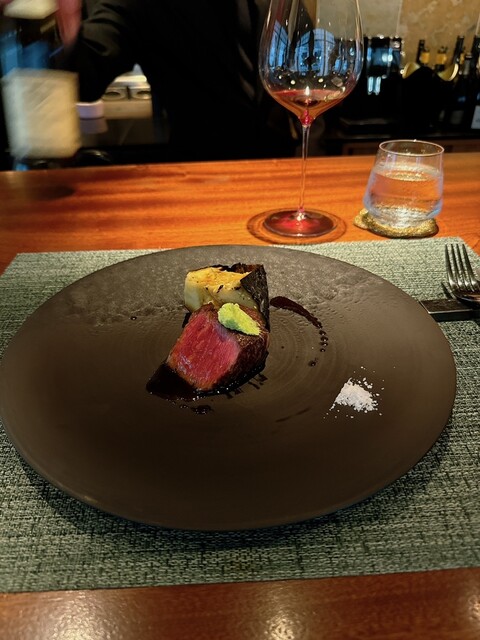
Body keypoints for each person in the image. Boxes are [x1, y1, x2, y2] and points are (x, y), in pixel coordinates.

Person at [1, 0, 299, 162]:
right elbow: (88, 72)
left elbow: (310, 69)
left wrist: (312, 161)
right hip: (196, 174)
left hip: (288, 170)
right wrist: (61, 37)